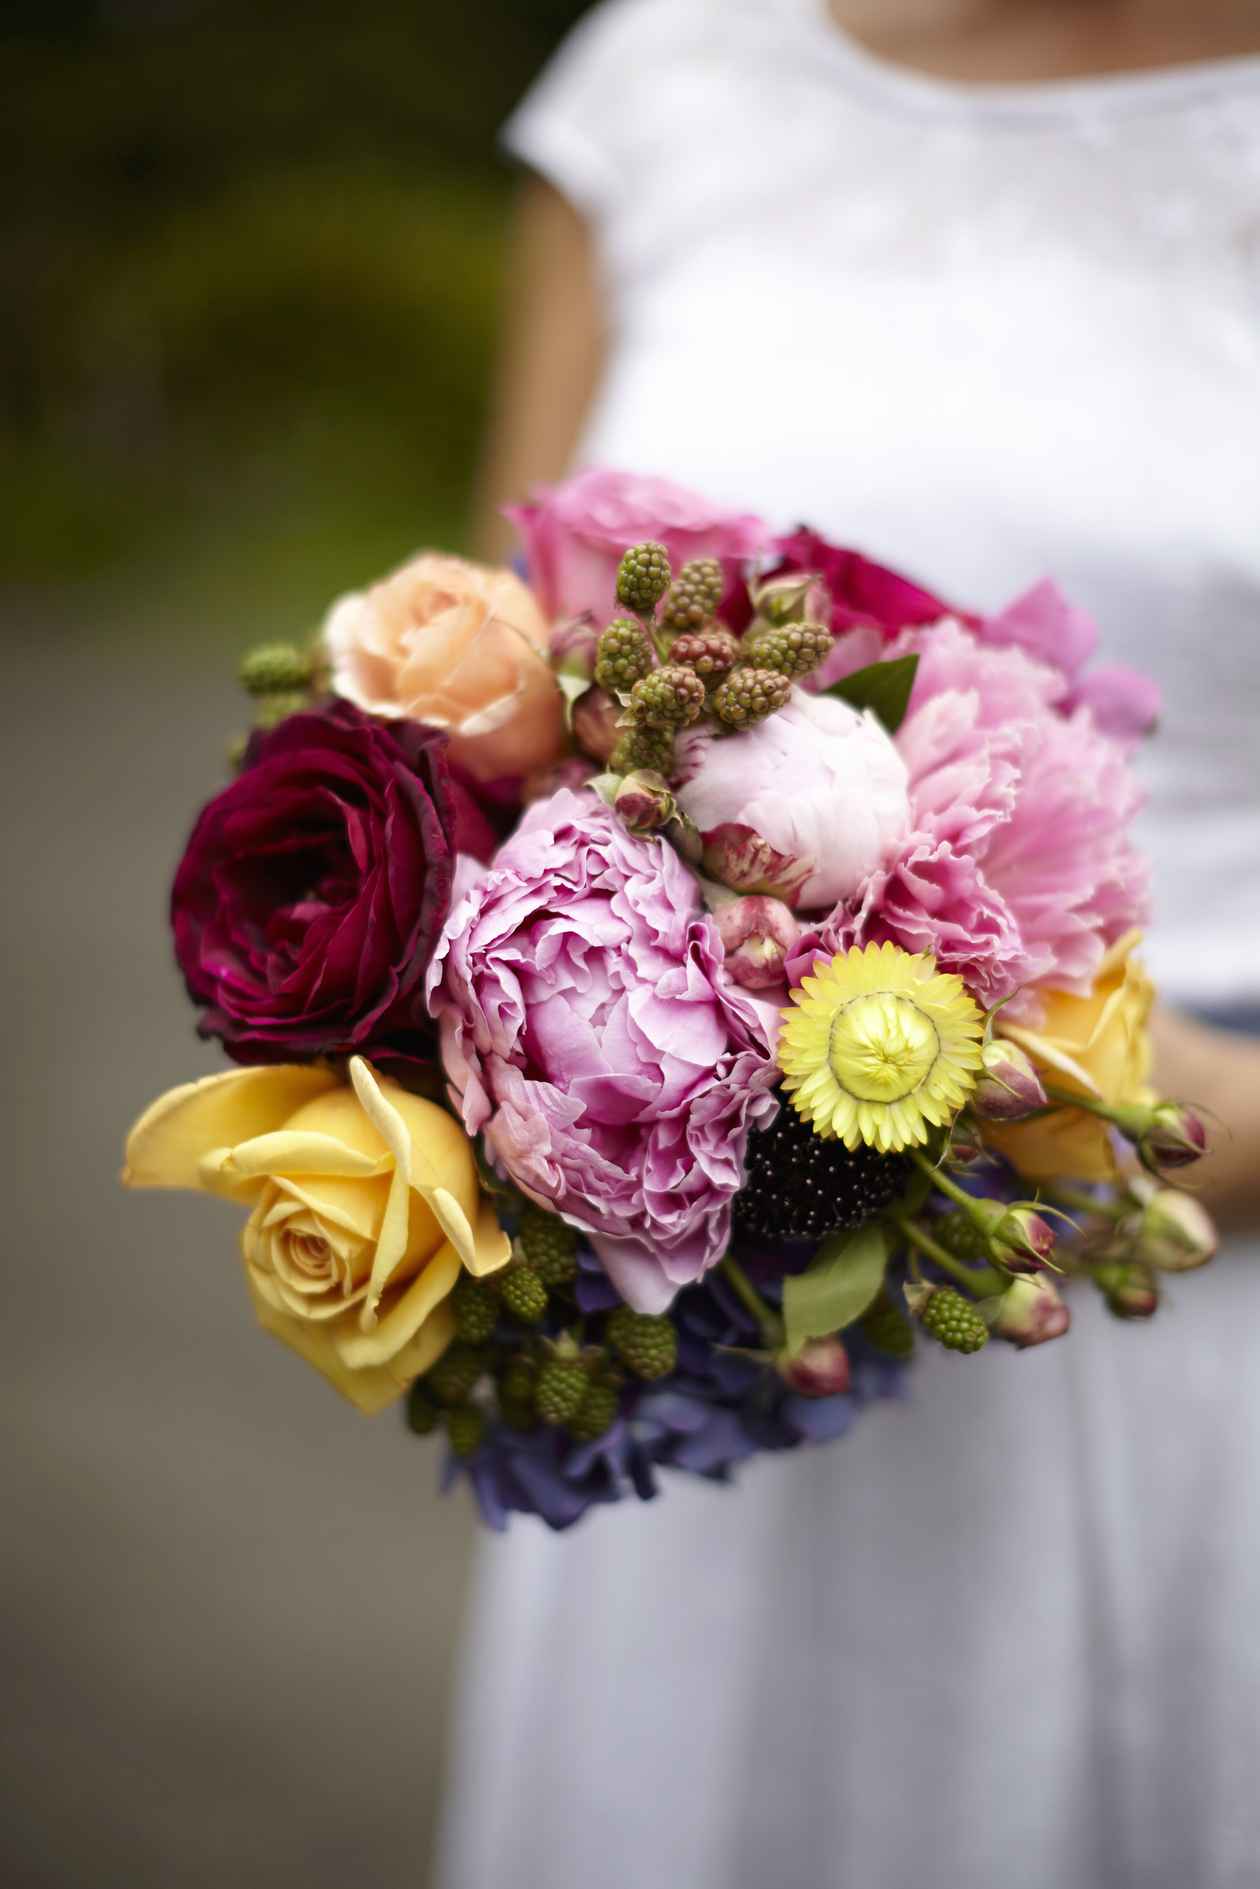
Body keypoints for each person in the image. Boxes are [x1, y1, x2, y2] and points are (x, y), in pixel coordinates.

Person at [439, 4, 1260, 1884]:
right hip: (692, 1370)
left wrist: (1189, 1101)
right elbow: (474, 680)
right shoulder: (661, 81)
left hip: (1169, 1304)